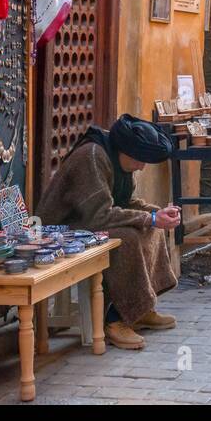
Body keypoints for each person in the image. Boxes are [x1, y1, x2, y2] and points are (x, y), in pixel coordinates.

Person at [36, 115, 181, 350]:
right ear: (126, 152)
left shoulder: (120, 157)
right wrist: (151, 218)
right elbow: (99, 215)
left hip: (92, 220)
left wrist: (157, 214)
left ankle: (139, 307)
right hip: (64, 228)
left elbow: (127, 202)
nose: (142, 167)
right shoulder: (92, 157)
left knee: (151, 228)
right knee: (126, 238)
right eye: (140, 160)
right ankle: (114, 320)